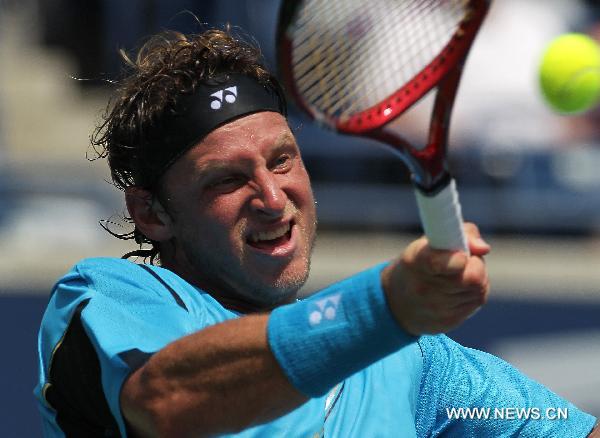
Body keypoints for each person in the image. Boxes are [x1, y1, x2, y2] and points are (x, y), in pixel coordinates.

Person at [34, 27, 598, 437]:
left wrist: (386, 319)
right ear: (153, 213)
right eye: (228, 180)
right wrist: (382, 306)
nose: (273, 199)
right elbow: (167, 401)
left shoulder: (419, 366)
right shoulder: (108, 298)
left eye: (282, 161)